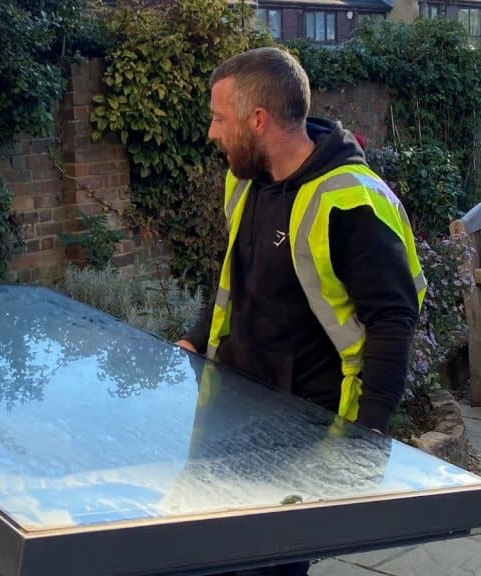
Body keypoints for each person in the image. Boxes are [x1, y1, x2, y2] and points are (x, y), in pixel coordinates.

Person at [176, 47, 424, 576]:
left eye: (219, 119)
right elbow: (235, 281)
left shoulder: (351, 201)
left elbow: (392, 320)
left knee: (265, 568)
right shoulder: (244, 182)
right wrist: (197, 339)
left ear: (257, 120)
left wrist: (369, 434)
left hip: (305, 435)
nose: (212, 134)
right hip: (232, 412)